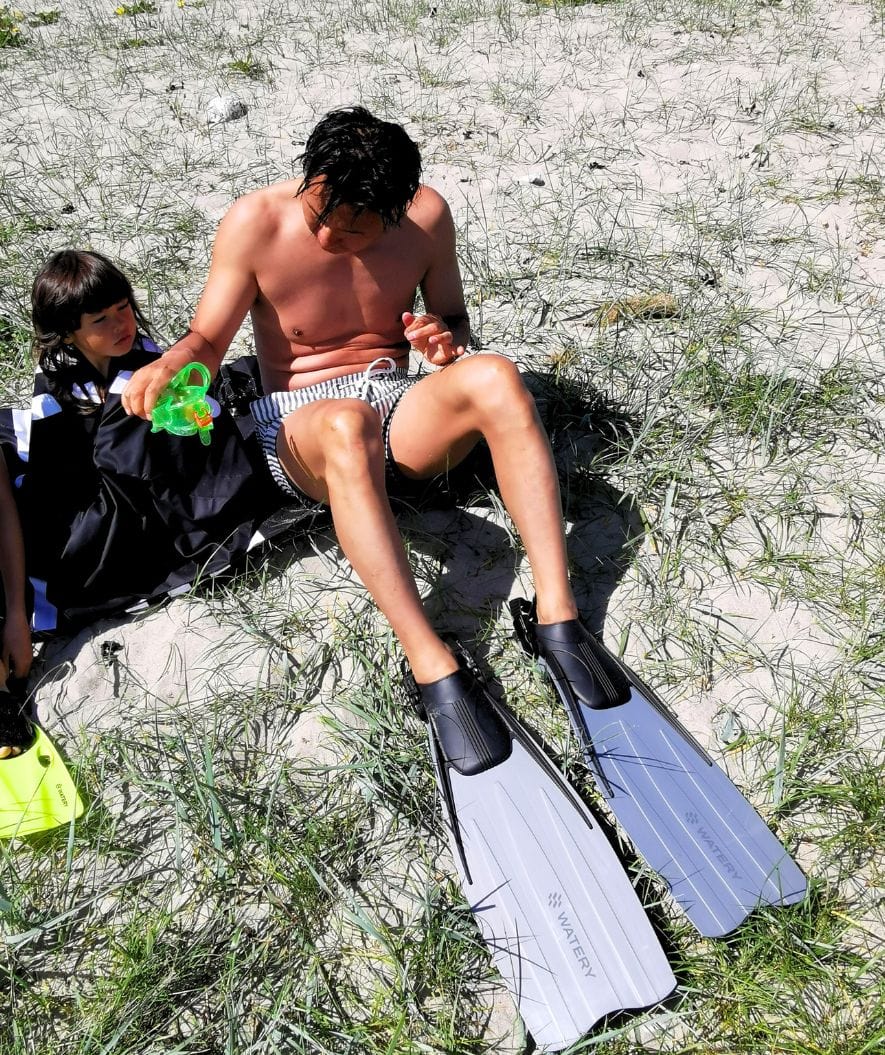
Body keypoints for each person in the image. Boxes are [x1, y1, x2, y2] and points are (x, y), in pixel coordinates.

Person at [122, 106, 586, 702]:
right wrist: (171, 366)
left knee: (495, 375)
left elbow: (455, 323)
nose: (325, 239)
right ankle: (430, 663)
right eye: (317, 216)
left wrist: (444, 342)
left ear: (394, 212)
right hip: (299, 429)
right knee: (347, 420)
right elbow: (208, 341)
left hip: (395, 408)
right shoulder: (256, 221)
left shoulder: (427, 219)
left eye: (349, 232)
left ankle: (557, 612)